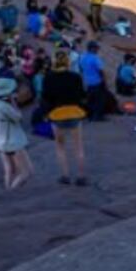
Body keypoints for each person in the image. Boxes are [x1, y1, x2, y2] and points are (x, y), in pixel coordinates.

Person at [41, 50, 89, 186]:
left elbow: (45, 97)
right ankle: (81, 176)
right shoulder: (75, 77)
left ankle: (65, 175)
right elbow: (82, 95)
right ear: (68, 61)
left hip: (57, 114)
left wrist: (45, 113)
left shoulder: (48, 77)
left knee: (60, 147)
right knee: (78, 146)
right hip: (75, 112)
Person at [0, 77, 32, 190]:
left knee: (9, 171)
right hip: (13, 142)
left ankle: (7, 190)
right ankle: (12, 192)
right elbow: (18, 117)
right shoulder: (5, 106)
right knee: (26, 172)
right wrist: (13, 102)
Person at [79, 40, 106, 121]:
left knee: (90, 100)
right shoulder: (95, 58)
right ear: (92, 48)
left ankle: (89, 115)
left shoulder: (82, 57)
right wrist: (104, 80)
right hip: (97, 82)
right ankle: (97, 116)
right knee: (99, 100)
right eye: (96, 48)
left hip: (87, 82)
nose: (97, 50)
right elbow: (101, 71)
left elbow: (80, 68)